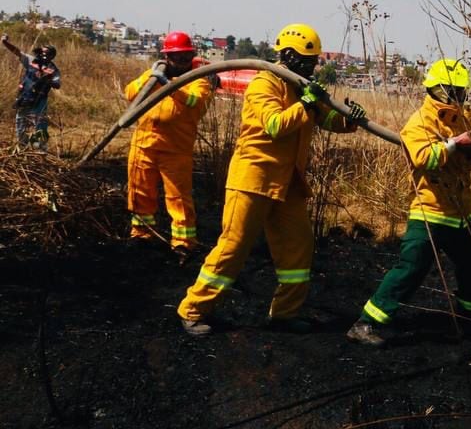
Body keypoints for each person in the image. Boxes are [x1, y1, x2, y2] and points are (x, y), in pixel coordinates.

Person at [177, 23, 366, 337]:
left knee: (297, 249)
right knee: (233, 248)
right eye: (307, 59)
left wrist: (349, 118)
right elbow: (276, 125)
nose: (312, 65)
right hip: (253, 179)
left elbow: (326, 117)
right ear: (289, 55)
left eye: (314, 60)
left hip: (288, 183)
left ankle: (285, 314)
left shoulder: (302, 86)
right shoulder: (263, 84)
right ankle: (193, 310)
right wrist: (306, 103)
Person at [348, 58, 471, 347]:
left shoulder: (463, 120)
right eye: (451, 91)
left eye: (460, 91)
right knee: (412, 268)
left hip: (462, 213)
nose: (456, 97)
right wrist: (455, 143)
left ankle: (467, 321)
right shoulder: (419, 122)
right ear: (437, 89)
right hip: (430, 211)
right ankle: (366, 323)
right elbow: (423, 159)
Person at [123, 31, 213, 259]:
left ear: (191, 55)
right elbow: (130, 93)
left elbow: (195, 103)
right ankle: (141, 234)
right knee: (140, 192)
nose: (180, 61)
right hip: (144, 144)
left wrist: (170, 86)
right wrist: (152, 77)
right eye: (175, 57)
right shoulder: (153, 76)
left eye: (185, 56)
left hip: (175, 150)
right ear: (166, 57)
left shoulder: (199, 81)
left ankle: (183, 242)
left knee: (178, 198)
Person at [2, 33, 61, 150]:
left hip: (40, 101)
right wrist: (5, 42)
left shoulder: (53, 69)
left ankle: (39, 150)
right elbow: (17, 52)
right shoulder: (31, 60)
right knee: (20, 125)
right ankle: (22, 148)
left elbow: (57, 84)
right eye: (42, 51)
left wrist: (47, 79)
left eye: (47, 53)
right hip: (25, 98)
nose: (43, 54)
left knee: (40, 126)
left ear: (52, 56)